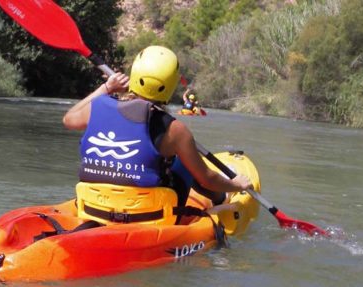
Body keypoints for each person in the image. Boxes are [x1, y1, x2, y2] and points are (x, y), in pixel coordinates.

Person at [63, 46, 252, 225]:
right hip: (149, 217)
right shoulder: (175, 129)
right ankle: (220, 199)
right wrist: (236, 185)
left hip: (93, 208)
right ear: (170, 85)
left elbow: (68, 119)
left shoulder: (98, 106)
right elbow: (206, 179)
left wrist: (106, 88)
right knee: (185, 163)